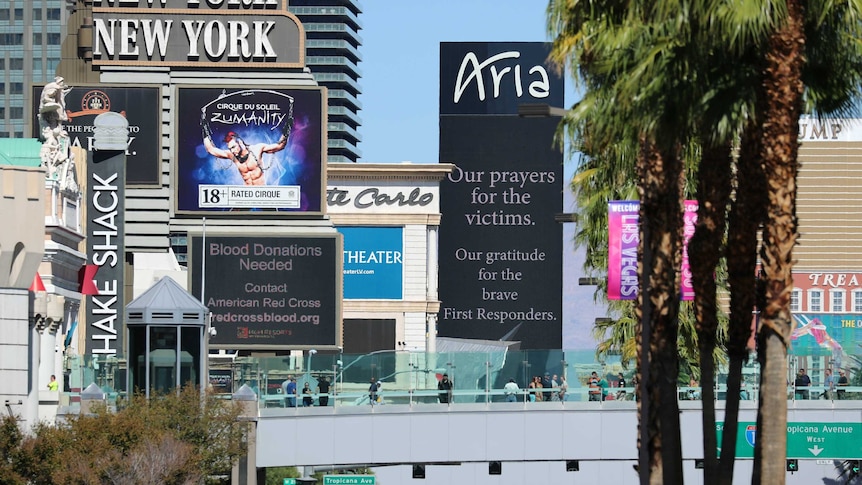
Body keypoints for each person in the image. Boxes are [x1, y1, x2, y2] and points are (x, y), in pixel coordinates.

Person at [201, 110, 293, 186]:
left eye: (233, 147)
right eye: (230, 149)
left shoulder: (257, 149)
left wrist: (287, 129)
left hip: (262, 193)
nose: (232, 151)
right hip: (246, 194)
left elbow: (280, 145)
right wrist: (204, 128)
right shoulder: (232, 155)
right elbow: (211, 149)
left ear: (240, 142)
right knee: (236, 209)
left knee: (270, 208)